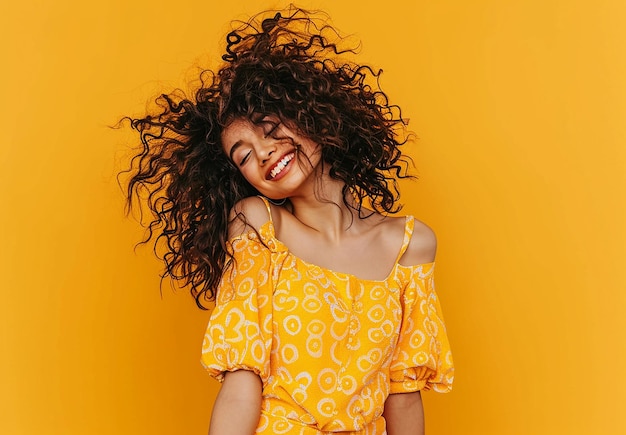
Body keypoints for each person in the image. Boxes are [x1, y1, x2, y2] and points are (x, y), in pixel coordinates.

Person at [123, 6, 453, 434]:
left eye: (269, 128)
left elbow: (403, 395)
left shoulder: (411, 244)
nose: (262, 152)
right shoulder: (259, 226)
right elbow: (243, 381)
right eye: (243, 156)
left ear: (310, 115)